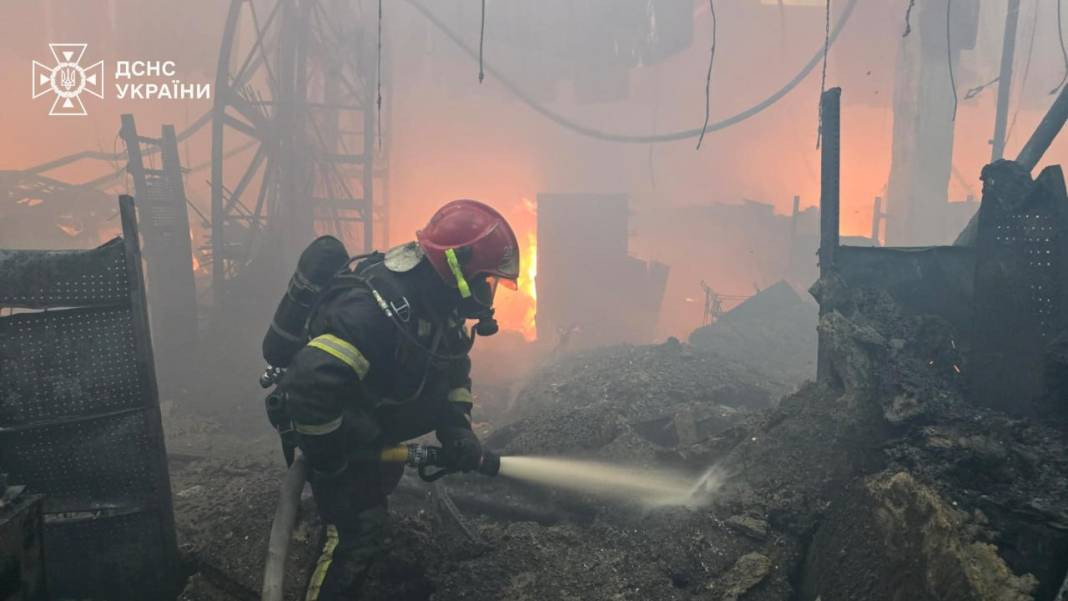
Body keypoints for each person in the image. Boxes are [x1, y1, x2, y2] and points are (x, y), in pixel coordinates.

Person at [276, 199, 520, 601]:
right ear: (458, 269)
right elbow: (310, 387)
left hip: (372, 430)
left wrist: (457, 427)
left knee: (374, 494)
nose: (487, 293)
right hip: (334, 436)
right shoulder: (375, 312)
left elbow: (455, 373)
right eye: (486, 281)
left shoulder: (443, 311)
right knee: (360, 529)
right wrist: (334, 464)